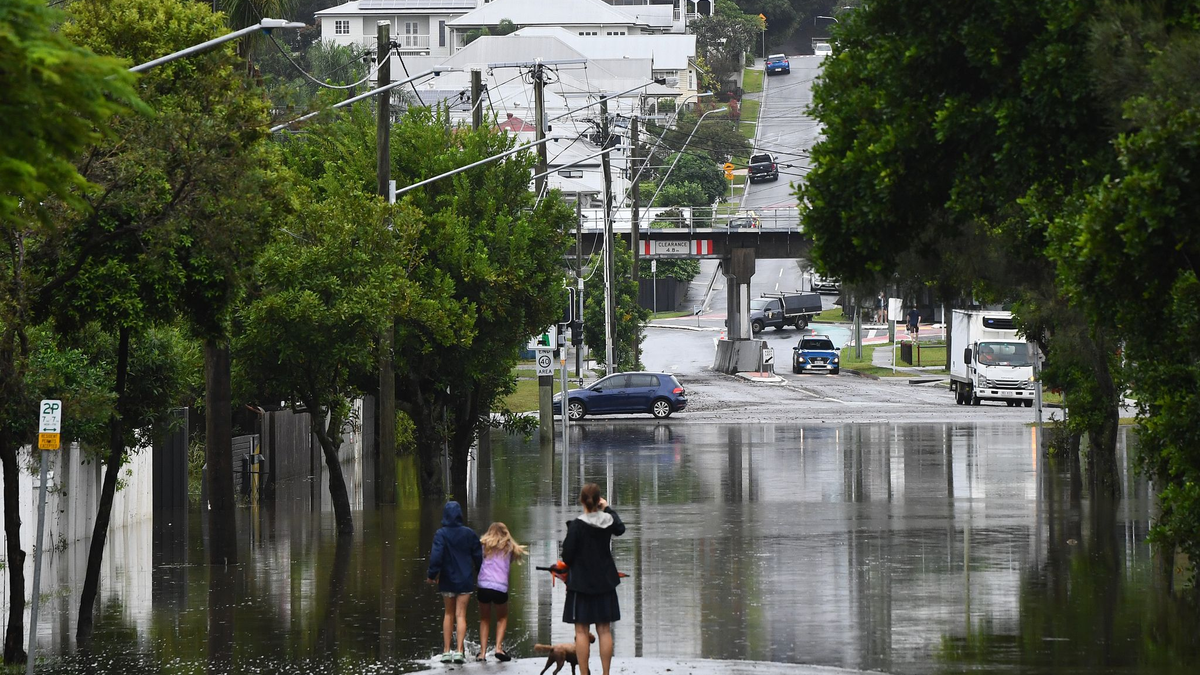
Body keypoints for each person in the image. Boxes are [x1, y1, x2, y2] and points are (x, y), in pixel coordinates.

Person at [561, 483, 626, 675]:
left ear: (582, 500)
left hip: (580, 584)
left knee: (581, 631)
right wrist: (607, 508)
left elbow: (567, 556)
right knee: (604, 630)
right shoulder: (608, 522)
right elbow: (620, 528)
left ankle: (583, 673)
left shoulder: (576, 526)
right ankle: (606, 673)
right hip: (605, 582)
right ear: (599, 501)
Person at [427, 501, 482, 664]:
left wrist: (432, 575)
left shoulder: (441, 534)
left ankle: (446, 651)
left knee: (448, 614)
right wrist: (482, 573)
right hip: (465, 579)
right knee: (461, 615)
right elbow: (478, 556)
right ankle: (459, 651)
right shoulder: (469, 534)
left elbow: (436, 557)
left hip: (446, 579)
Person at [476, 522, 526, 662]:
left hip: (484, 586)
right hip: (500, 588)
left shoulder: (483, 546)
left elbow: (477, 560)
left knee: (485, 619)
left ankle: (482, 653)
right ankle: (498, 648)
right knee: (502, 618)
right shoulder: (509, 548)